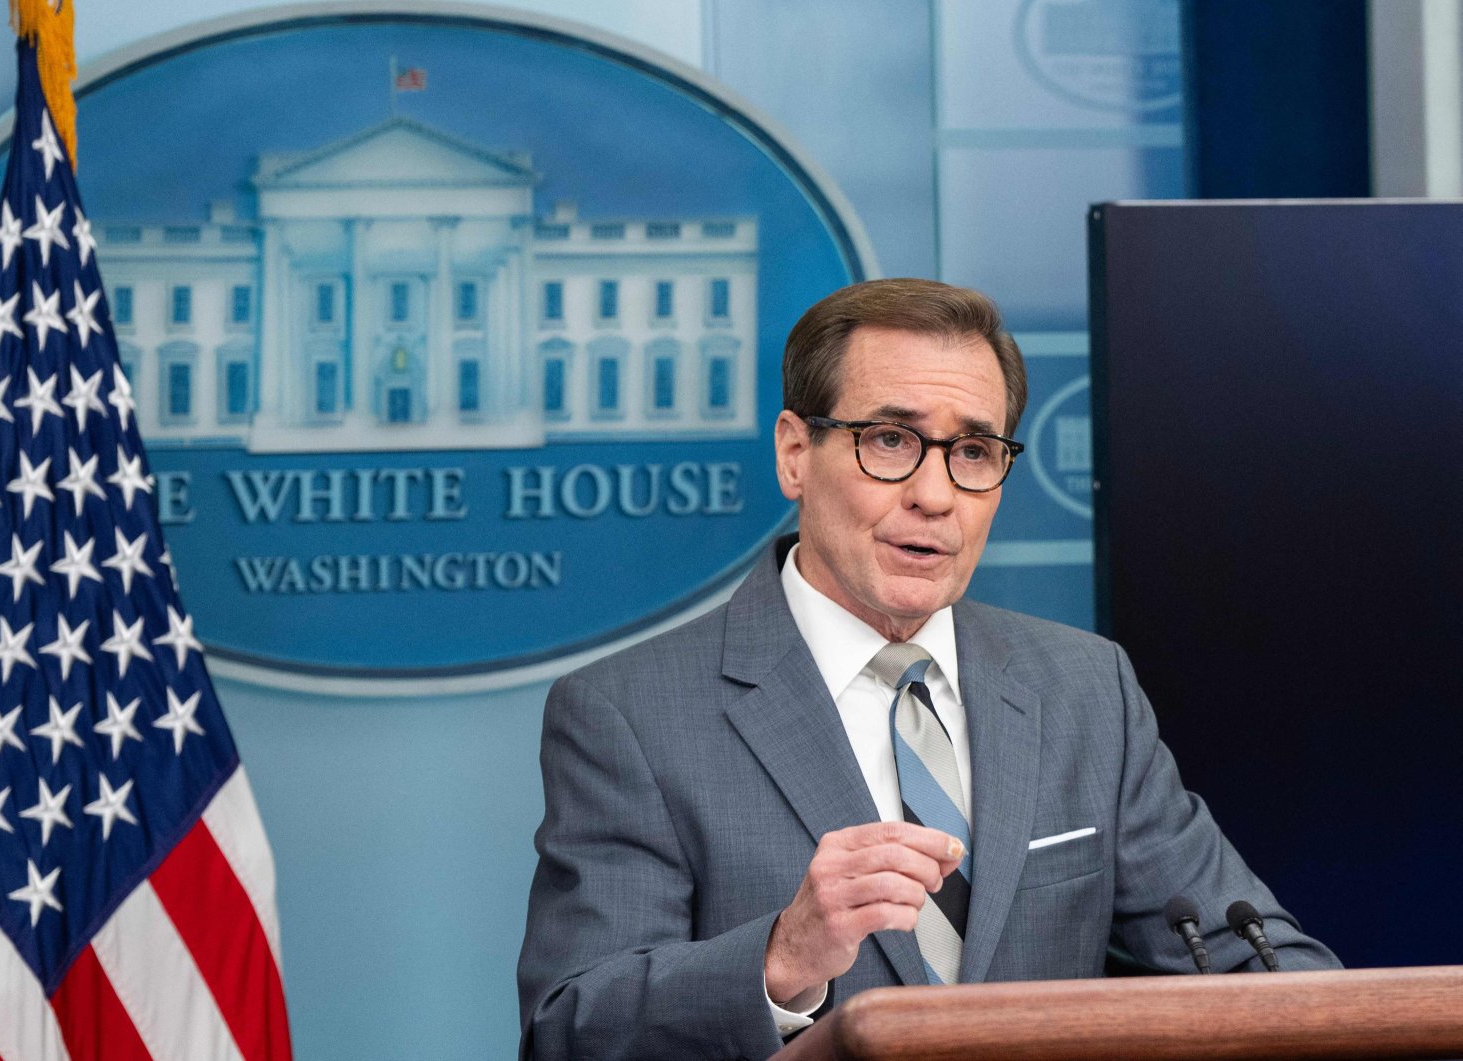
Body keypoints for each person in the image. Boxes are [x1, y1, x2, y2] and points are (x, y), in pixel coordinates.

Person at [517, 278, 1338, 1060]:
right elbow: (574, 1029)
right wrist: (781, 958)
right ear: (796, 453)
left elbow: (1247, 958)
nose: (936, 494)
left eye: (974, 450)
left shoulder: (1085, 688)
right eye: (891, 440)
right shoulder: (632, 712)